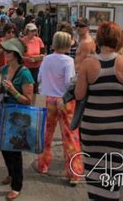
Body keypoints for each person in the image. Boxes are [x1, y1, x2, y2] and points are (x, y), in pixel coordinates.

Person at [75, 22, 123, 200]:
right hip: (117, 125)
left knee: (93, 168)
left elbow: (79, 94)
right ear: (119, 39)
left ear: (99, 39)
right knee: (113, 167)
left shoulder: (88, 63)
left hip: (91, 125)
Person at [35, 32, 83, 184]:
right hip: (65, 100)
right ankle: (73, 172)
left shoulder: (47, 59)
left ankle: (43, 164)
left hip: (50, 99)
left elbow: (39, 78)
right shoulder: (68, 60)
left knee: (47, 133)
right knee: (70, 136)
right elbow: (69, 83)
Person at [0, 38, 34, 200]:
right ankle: (11, 174)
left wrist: (13, 90)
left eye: (8, 52)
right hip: (5, 112)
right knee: (4, 146)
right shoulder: (4, 69)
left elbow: (28, 100)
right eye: (4, 51)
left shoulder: (24, 73)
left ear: (16, 54)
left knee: (15, 150)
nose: (5, 54)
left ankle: (17, 185)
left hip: (18, 116)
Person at [21, 23, 44, 97]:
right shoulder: (22, 41)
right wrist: (27, 59)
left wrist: (40, 57)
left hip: (36, 67)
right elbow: (19, 56)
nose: (34, 33)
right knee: (26, 86)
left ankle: (35, 102)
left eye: (35, 31)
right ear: (27, 31)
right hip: (26, 67)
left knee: (35, 86)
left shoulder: (39, 40)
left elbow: (43, 52)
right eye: (32, 31)